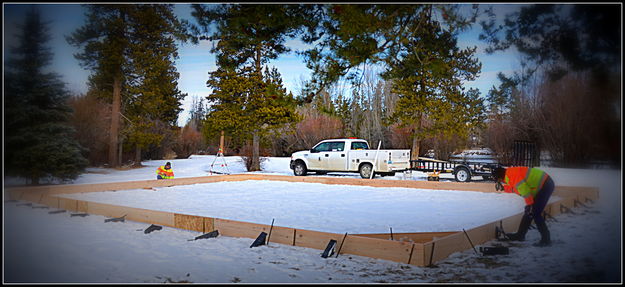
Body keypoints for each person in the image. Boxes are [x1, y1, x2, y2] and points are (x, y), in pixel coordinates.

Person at [493, 166, 555, 247]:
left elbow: (525, 192)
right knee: (529, 211)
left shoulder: (513, 176)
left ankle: (546, 239)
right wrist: (504, 188)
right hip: (541, 185)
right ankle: (520, 235)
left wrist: (530, 204)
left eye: (498, 180)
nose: (499, 181)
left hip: (545, 185)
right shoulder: (510, 175)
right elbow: (517, 189)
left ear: (500, 177)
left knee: (535, 212)